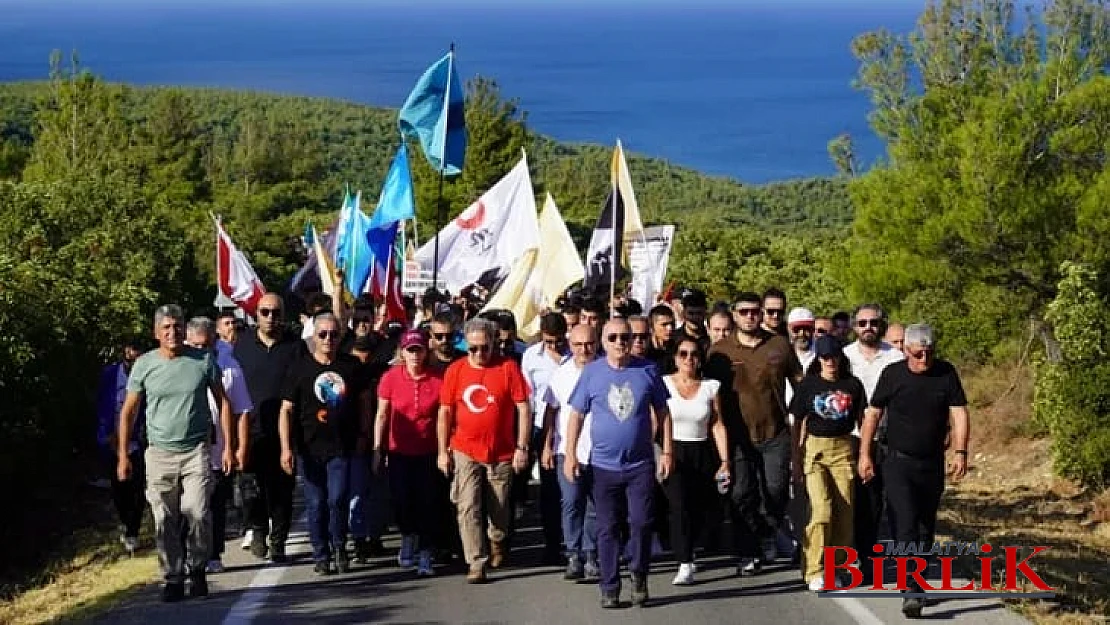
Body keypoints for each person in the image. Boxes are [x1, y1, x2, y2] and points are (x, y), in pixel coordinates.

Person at [117, 304, 233, 602]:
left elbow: (223, 402)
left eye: (177, 326)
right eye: (166, 327)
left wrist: (228, 445)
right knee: (164, 518)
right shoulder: (145, 365)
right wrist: (123, 454)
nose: (173, 332)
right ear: (156, 333)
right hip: (159, 452)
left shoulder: (202, 360)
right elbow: (129, 411)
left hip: (196, 450)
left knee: (197, 511)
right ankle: (172, 576)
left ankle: (196, 570)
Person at [858, 324, 970, 618]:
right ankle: (912, 589)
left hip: (931, 463)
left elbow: (959, 412)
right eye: (918, 354)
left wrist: (960, 451)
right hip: (897, 461)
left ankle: (916, 579)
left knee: (924, 528)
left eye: (929, 353)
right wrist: (865, 454)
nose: (924, 359)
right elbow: (873, 414)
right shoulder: (893, 375)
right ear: (905, 350)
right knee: (905, 522)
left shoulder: (946, 373)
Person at [564, 318, 674, 609]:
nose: (620, 342)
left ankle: (639, 573)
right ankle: (610, 586)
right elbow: (576, 415)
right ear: (603, 341)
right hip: (603, 466)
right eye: (612, 337)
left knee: (640, 522)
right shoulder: (592, 373)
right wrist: (571, 454)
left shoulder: (648, 370)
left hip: (640, 464)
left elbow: (663, 413)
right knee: (607, 527)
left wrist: (667, 452)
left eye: (626, 336)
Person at [706, 291, 803, 576]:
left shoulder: (779, 345)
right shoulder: (720, 351)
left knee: (775, 490)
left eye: (754, 311)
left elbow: (799, 382)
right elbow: (710, 394)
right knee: (741, 494)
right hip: (737, 436)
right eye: (744, 311)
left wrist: (806, 414)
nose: (750, 316)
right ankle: (748, 552)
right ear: (734, 315)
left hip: (775, 432)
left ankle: (768, 530)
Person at [437, 318, 532, 583]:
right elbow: (445, 412)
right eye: (473, 349)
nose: (479, 354)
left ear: (494, 345)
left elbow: (523, 407)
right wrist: (442, 451)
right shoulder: (455, 371)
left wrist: (522, 446)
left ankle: (497, 539)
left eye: (485, 348)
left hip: (501, 451)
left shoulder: (508, 368)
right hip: (465, 448)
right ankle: (475, 561)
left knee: (499, 507)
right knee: (468, 505)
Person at [278, 313, 371, 576]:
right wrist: (286, 447)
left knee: (337, 499)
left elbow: (365, 401)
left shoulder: (351, 366)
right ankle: (321, 552)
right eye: (323, 334)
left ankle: (340, 545)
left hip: (342, 446)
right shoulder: (299, 368)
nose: (328, 339)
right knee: (316, 503)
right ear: (314, 337)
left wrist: (365, 433)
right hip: (309, 448)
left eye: (334, 334)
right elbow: (286, 409)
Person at [789, 335, 865, 591]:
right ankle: (814, 569)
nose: (830, 361)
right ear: (818, 359)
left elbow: (863, 422)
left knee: (845, 512)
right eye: (824, 357)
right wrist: (796, 460)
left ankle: (839, 566)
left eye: (834, 356)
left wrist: (865, 455)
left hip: (843, 449)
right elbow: (797, 423)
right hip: (815, 451)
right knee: (822, 511)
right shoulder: (808, 385)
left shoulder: (852, 385)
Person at [234, 293, 302, 563]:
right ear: (256, 315)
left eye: (275, 312)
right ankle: (258, 529)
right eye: (265, 312)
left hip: (284, 433)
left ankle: (278, 541)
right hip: (249, 432)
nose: (270, 317)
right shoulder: (242, 346)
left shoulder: (294, 347)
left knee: (281, 492)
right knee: (250, 490)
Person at [185, 317, 253, 575]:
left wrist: (237, 447)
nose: (202, 351)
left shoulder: (228, 367)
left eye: (207, 346)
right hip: (188, 448)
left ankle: (213, 554)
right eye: (196, 346)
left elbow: (241, 409)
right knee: (190, 506)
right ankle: (189, 554)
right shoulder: (180, 366)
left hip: (218, 449)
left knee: (214, 504)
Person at [374, 329, 444, 577]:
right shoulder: (391, 378)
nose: (415, 355)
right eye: (410, 350)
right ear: (402, 352)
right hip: (398, 451)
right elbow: (382, 415)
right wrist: (377, 449)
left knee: (427, 502)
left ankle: (426, 551)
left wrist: (444, 451)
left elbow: (443, 417)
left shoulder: (437, 380)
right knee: (402, 500)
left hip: (428, 451)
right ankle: (408, 536)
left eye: (419, 349)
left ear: (427, 351)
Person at [661, 336, 730, 586]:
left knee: (699, 508)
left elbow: (717, 423)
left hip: (702, 451)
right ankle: (684, 561)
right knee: (679, 507)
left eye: (694, 354)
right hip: (673, 449)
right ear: (675, 357)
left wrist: (725, 460)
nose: (689, 359)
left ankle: (694, 548)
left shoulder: (711, 387)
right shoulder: (664, 384)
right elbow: (655, 421)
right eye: (683, 354)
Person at [842, 304, 904, 573]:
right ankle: (857, 555)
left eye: (874, 323)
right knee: (858, 499)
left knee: (883, 500)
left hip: (888, 436)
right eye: (863, 322)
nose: (868, 327)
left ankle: (878, 556)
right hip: (852, 436)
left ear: (882, 325)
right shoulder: (844, 357)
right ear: (855, 326)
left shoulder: (896, 358)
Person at [540, 323, 600, 581]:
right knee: (571, 501)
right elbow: (551, 411)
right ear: (570, 345)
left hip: (600, 452)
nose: (584, 350)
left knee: (595, 507)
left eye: (588, 344)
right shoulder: (561, 375)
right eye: (578, 345)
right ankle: (573, 553)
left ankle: (591, 554)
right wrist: (546, 446)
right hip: (568, 449)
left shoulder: (605, 370)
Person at [519, 313, 570, 565]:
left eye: (558, 341)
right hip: (542, 427)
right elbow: (527, 400)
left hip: (572, 427)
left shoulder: (576, 354)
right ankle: (552, 544)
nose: (554, 347)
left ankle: (575, 542)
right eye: (549, 342)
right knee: (550, 489)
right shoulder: (531, 357)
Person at [95, 340, 145, 554]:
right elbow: (101, 404)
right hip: (112, 440)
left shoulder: (148, 372)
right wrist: (106, 433)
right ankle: (125, 522)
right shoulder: (109, 375)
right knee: (118, 487)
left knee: (137, 487)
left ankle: (133, 530)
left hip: (138, 439)